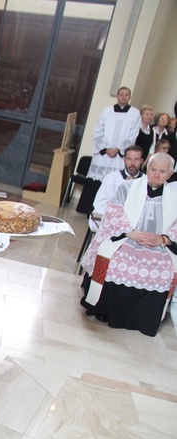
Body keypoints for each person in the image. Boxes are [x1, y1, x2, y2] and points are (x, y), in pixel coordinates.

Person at [81, 152, 177, 337]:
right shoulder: (127, 187)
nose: (156, 175)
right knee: (114, 262)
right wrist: (130, 232)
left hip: (158, 245)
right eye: (153, 170)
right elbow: (113, 213)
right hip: (127, 238)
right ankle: (106, 312)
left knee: (165, 270)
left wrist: (163, 239)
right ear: (146, 168)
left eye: (162, 172)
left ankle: (143, 319)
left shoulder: (175, 196)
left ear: (170, 174)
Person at [79, 87, 141, 214]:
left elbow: (133, 134)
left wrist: (118, 149)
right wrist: (106, 148)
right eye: (121, 94)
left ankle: (108, 212)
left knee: (114, 182)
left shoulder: (135, 113)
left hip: (119, 156)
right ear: (117, 96)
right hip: (103, 155)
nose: (123, 97)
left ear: (129, 97)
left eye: (126, 95)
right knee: (96, 181)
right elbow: (97, 130)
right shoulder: (106, 111)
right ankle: (88, 209)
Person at [89, 145, 144, 232]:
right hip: (111, 220)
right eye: (129, 159)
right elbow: (99, 203)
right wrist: (118, 218)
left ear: (142, 161)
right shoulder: (112, 178)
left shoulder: (146, 181)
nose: (132, 163)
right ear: (124, 160)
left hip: (134, 224)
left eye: (136, 159)